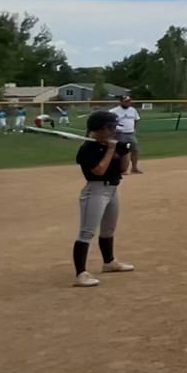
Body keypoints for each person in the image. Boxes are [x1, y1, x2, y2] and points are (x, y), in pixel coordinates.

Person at [71, 110, 134, 287]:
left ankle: (109, 262)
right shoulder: (87, 149)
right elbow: (99, 171)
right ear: (99, 128)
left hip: (112, 189)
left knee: (108, 229)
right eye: (110, 128)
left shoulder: (109, 144)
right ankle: (81, 274)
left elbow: (123, 169)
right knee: (86, 232)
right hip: (95, 191)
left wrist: (125, 151)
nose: (114, 131)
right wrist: (111, 150)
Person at [112, 93, 142, 173]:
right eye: (125, 101)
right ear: (121, 102)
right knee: (122, 151)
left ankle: (134, 168)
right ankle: (122, 169)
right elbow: (109, 122)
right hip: (119, 134)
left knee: (135, 150)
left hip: (130, 133)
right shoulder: (114, 111)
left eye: (129, 101)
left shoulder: (133, 110)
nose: (128, 103)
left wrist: (134, 129)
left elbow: (136, 119)